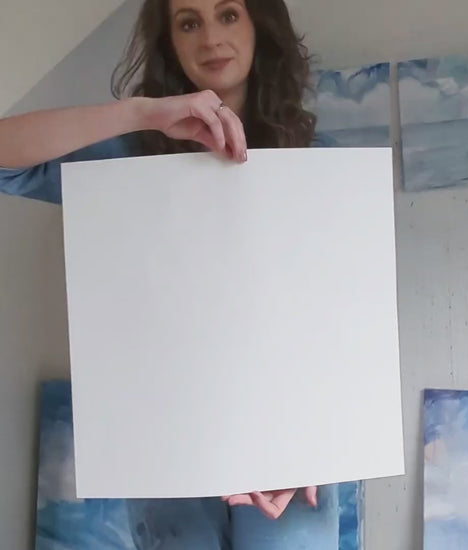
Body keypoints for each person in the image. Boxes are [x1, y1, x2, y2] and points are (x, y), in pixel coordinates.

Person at [0, 0, 340, 549]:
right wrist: (140, 114)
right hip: (166, 443)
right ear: (170, 41)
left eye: (228, 14)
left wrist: (313, 440)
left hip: (290, 456)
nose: (210, 37)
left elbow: (343, 317)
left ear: (260, 24)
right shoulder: (125, 158)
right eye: (188, 22)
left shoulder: (319, 161)